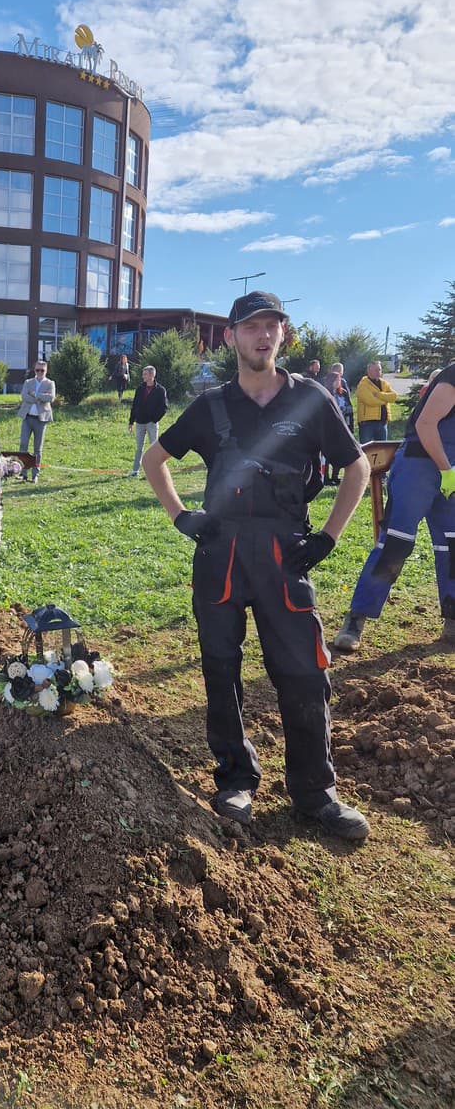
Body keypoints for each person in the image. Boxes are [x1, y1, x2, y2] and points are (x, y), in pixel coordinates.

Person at [142, 290, 371, 840]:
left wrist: (329, 538)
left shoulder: (311, 398)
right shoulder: (210, 406)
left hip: (285, 553)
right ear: (231, 337)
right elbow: (155, 461)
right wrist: (180, 517)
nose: (262, 335)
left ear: (283, 335)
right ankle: (235, 780)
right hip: (220, 555)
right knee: (221, 670)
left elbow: (358, 466)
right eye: (251, 327)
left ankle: (315, 793)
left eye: (272, 326)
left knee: (305, 672)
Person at [332, 361, 455, 652]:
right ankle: (357, 617)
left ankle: (452, 618)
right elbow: (426, 425)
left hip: (452, 468)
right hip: (419, 466)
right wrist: (446, 470)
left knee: (452, 546)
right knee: (396, 544)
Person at [17, 359, 55, 484]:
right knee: (23, 445)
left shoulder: (50, 383)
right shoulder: (28, 382)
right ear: (34, 370)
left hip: (41, 419)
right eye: (37, 370)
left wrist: (35, 394)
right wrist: (40, 397)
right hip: (27, 418)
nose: (39, 372)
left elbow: (51, 398)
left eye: (42, 370)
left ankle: (35, 474)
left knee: (37, 449)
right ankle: (23, 473)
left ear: (46, 371)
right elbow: (24, 396)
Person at [127, 365, 168, 477]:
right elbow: (134, 405)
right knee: (139, 447)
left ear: (151, 375)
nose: (142, 376)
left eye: (145, 374)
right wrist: (131, 421)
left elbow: (164, 407)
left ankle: (155, 471)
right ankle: (135, 470)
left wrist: (154, 419)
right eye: (143, 374)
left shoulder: (160, 390)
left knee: (154, 448)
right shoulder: (140, 389)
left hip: (152, 423)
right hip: (140, 422)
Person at [322, 364, 354, 484]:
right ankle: (326, 477)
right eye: (337, 380)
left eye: (340, 379)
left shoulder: (343, 393)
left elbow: (349, 407)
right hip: (329, 427)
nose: (339, 381)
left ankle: (335, 476)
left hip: (343, 425)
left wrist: (350, 425)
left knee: (339, 452)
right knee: (328, 453)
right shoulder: (325, 393)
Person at [356, 361, 397, 443]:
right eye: (376, 370)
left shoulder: (384, 383)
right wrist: (386, 400)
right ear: (369, 371)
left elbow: (394, 396)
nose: (378, 372)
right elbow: (370, 401)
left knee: (382, 449)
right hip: (367, 424)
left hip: (382, 422)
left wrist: (379, 395)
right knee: (366, 450)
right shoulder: (363, 384)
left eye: (380, 369)